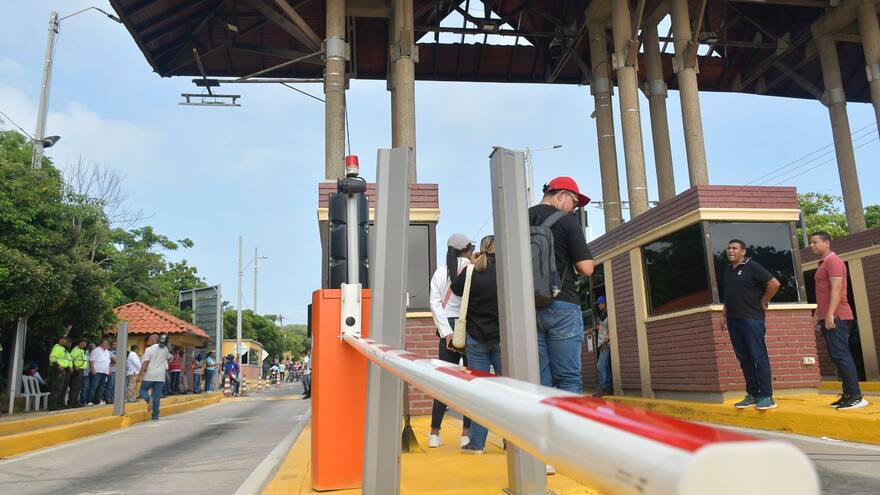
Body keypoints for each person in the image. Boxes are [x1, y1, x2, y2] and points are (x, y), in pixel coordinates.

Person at [528, 177, 595, 394]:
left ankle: (543, 417)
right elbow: (586, 268)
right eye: (574, 202)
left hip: (529, 307)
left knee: (541, 382)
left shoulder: (520, 218)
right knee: (568, 379)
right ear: (561, 195)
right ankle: (567, 417)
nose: (574, 209)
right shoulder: (567, 222)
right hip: (563, 305)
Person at [451, 235, 502, 456]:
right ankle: (511, 441)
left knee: (480, 391)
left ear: (481, 249)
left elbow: (455, 289)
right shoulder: (506, 269)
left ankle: (477, 444)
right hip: (503, 337)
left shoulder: (472, 270)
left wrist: (471, 263)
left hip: (476, 337)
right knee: (509, 392)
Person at [809, 232, 869, 411]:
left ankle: (856, 396)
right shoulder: (823, 263)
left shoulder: (833, 261)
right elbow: (823, 293)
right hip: (828, 315)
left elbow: (836, 288)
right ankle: (848, 394)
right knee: (836, 355)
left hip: (838, 316)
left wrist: (830, 314)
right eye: (811, 242)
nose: (811, 245)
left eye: (815, 242)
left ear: (827, 243)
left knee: (841, 354)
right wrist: (817, 314)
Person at [427, 232, 475, 449]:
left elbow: (435, 303)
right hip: (468, 325)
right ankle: (466, 434)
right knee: (470, 382)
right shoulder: (472, 268)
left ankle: (434, 433)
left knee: (443, 382)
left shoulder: (440, 272)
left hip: (447, 327)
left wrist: (446, 332)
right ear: (466, 249)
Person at [720, 239, 781, 410]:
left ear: (743, 251)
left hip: (751, 319)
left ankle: (766, 396)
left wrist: (764, 301)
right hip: (733, 320)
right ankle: (753, 394)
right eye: (729, 248)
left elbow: (774, 283)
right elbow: (730, 294)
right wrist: (724, 313)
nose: (730, 251)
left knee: (758, 357)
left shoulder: (752, 266)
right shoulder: (728, 270)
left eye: (735, 248)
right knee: (744, 359)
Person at [139, 334, 172, 420]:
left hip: (150, 375)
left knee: (142, 390)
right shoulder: (165, 349)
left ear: (153, 340)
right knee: (156, 396)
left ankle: (148, 399)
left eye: (149, 339)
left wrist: (139, 375)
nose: (148, 341)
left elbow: (145, 363)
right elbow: (171, 358)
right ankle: (155, 415)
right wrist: (164, 363)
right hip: (161, 376)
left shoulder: (149, 349)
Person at [592, 296, 613, 397]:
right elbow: (602, 327)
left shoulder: (609, 314)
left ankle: (602, 387)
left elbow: (610, 328)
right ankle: (608, 388)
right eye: (598, 304)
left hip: (606, 344)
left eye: (600, 303)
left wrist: (605, 342)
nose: (598, 306)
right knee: (606, 367)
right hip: (602, 344)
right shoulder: (602, 315)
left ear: (604, 303)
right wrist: (594, 329)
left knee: (600, 365)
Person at [47, 336, 72, 411]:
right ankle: (53, 406)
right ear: (61, 340)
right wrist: (58, 366)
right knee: (56, 388)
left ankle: (58, 404)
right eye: (66, 340)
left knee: (60, 388)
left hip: (63, 370)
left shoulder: (63, 349)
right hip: (57, 370)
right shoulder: (57, 348)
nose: (67, 342)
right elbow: (52, 358)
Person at [88, 339, 112, 406]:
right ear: (101, 343)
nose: (106, 345)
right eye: (105, 343)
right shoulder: (96, 350)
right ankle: (90, 401)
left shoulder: (107, 351)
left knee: (101, 387)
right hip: (97, 371)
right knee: (94, 386)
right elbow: (91, 360)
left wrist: (108, 370)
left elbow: (108, 362)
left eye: (107, 344)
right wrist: (93, 369)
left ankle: (97, 401)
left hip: (104, 372)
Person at [69, 339, 89, 407]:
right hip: (77, 370)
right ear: (79, 343)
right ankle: (72, 402)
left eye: (85, 343)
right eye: (83, 343)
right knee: (75, 387)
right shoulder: (76, 349)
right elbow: (70, 358)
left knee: (78, 387)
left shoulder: (81, 350)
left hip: (81, 370)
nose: (84, 344)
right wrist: (74, 366)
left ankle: (75, 402)